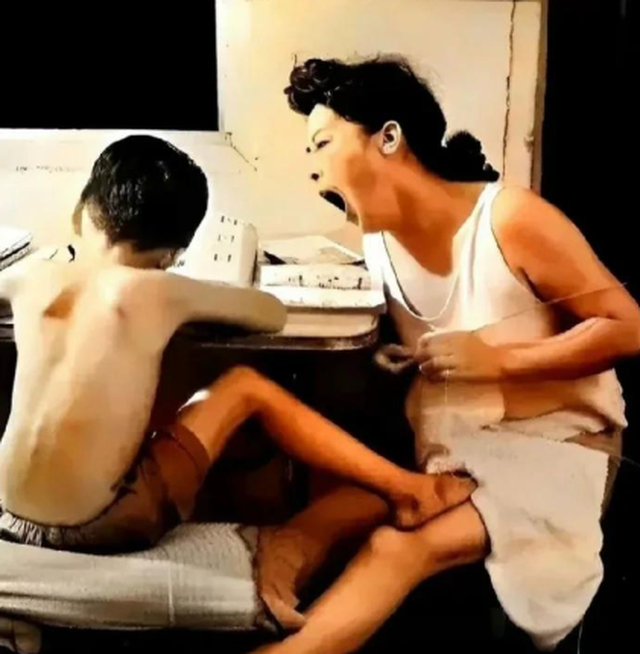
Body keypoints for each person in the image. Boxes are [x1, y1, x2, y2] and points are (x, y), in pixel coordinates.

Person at [249, 55, 640, 653]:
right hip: (455, 450)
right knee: (318, 515)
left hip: (558, 450)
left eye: (322, 143)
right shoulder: (379, 243)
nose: (312, 169)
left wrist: (499, 361)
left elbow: (627, 326)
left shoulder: (510, 219)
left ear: (388, 138)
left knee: (396, 548)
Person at [0, 134, 472, 560]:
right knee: (246, 385)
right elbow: (270, 313)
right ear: (171, 255)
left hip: (11, 516)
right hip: (101, 527)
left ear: (80, 213)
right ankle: (410, 490)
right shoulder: (159, 289)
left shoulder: (31, 277)